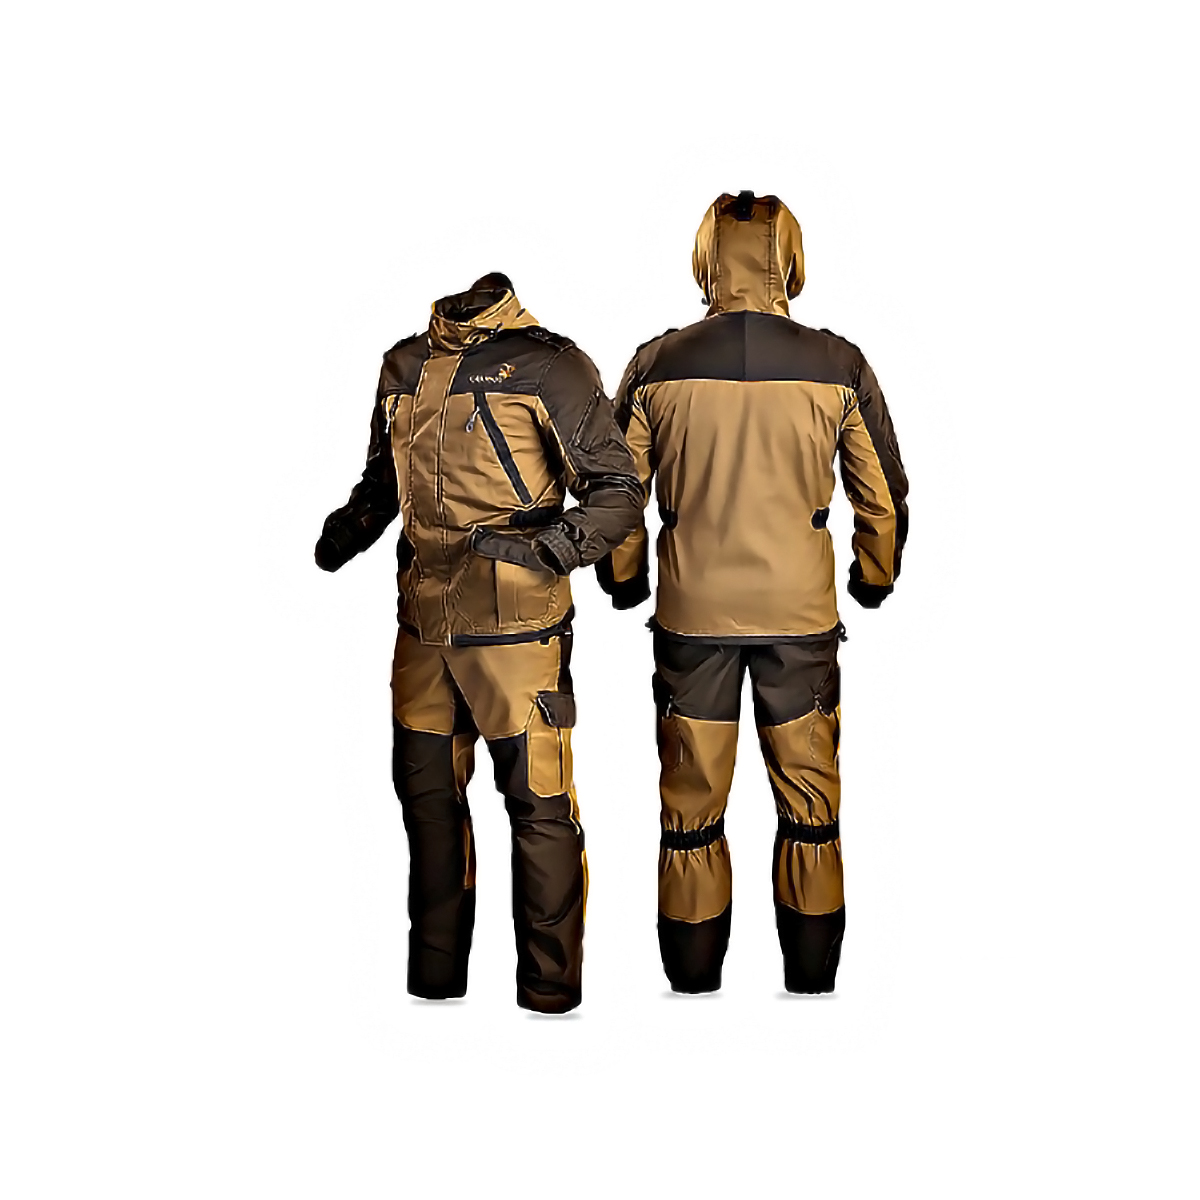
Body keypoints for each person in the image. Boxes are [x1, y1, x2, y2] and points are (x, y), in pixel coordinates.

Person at [598, 194, 909, 994]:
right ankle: (811, 976)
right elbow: (881, 495)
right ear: (791, 259)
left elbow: (617, 493)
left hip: (693, 616)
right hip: (800, 620)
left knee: (691, 805)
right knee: (811, 801)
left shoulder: (657, 363)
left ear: (706, 259)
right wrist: (872, 577)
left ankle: (692, 975)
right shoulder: (838, 365)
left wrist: (625, 582)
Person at [316, 272, 642, 1014]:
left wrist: (550, 549)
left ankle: (550, 992)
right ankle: (436, 984)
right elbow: (383, 482)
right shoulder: (403, 365)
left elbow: (617, 489)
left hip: (516, 637)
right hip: (421, 632)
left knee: (538, 807)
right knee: (426, 802)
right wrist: (347, 532)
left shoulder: (551, 365)